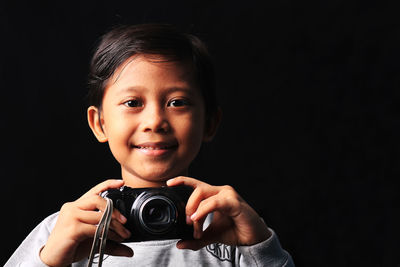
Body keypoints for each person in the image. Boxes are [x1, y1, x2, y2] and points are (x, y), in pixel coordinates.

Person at [6, 24, 294, 267]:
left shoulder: (229, 229)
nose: (155, 121)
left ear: (209, 122)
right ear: (100, 123)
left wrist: (259, 247)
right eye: (133, 103)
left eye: (177, 102)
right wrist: (50, 261)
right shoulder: (67, 230)